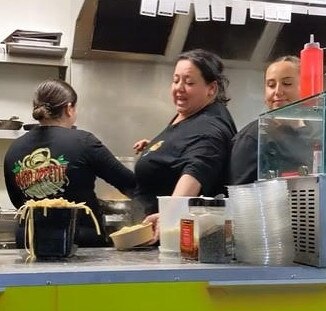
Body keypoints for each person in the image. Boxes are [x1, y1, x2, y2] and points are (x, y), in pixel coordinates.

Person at [4, 78, 136, 247]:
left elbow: (18, 201)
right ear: (68, 108)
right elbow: (129, 184)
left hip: (31, 242)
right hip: (80, 244)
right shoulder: (83, 141)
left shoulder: (14, 148)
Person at [133, 48, 237, 240]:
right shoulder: (189, 115)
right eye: (175, 80)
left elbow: (197, 169)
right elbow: (183, 150)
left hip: (171, 239)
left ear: (211, 89)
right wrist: (156, 147)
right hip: (153, 235)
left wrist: (169, 215)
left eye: (189, 82)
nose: (179, 88)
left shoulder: (210, 127)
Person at [229, 55, 317, 184]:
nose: (277, 91)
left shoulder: (314, 133)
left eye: (287, 83)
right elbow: (240, 192)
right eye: (271, 85)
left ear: (306, 87)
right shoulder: (253, 137)